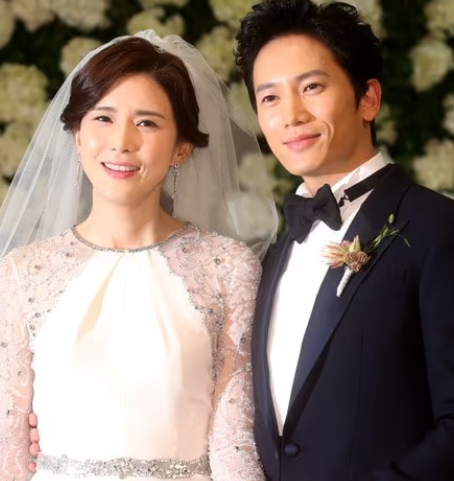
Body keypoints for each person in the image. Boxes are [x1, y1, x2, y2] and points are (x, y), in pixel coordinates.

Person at [0, 30, 278, 481]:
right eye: (103, 118)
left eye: (147, 123)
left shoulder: (227, 268)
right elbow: (8, 447)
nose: (122, 141)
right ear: (77, 135)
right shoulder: (23, 272)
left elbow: (233, 442)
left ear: (181, 148)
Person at [232, 0, 454, 480]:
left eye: (311, 87)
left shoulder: (437, 227)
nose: (291, 115)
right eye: (269, 98)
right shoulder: (274, 249)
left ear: (368, 98)